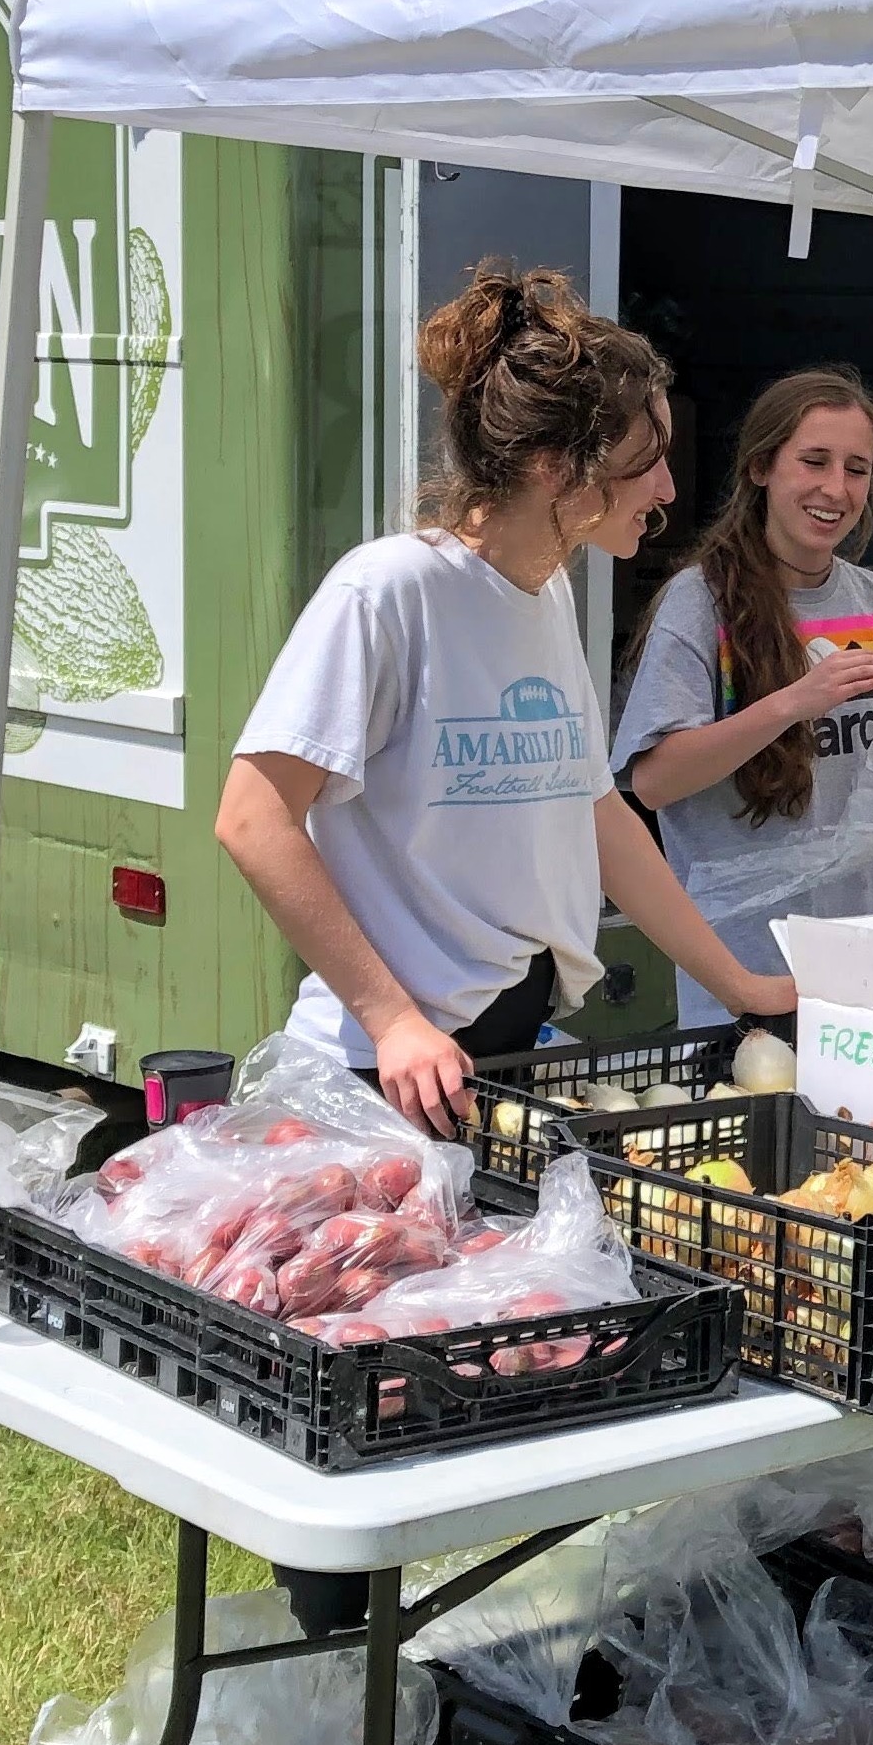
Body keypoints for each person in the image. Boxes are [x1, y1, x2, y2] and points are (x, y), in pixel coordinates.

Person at [216, 263, 798, 1139]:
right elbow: (252, 819)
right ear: (554, 468)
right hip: (380, 1075)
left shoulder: (548, 591)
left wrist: (742, 986)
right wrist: (391, 1018)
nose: (668, 492)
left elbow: (596, 814)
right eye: (645, 467)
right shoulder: (389, 590)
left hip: (503, 1057)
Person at [616, 367, 873, 1021]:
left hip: (857, 970)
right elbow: (652, 781)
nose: (835, 489)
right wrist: (791, 702)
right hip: (736, 977)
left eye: (856, 469)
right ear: (762, 467)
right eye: (813, 461)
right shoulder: (699, 601)